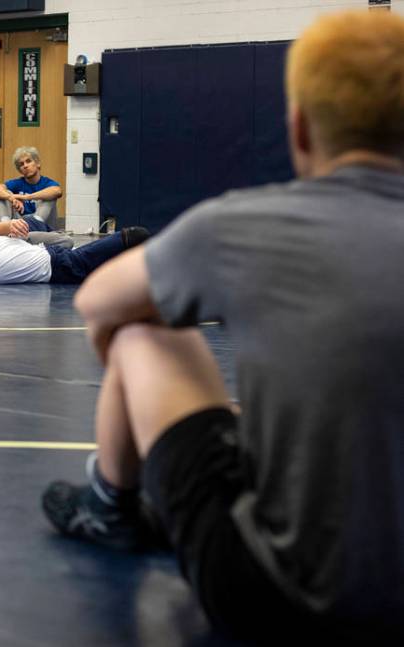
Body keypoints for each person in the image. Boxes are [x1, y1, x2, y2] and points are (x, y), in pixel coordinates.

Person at [42, 10, 404, 644]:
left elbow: (97, 302)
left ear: (296, 128)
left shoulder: (245, 227)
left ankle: (108, 503)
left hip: (282, 598)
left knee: (137, 327)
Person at [0, 219, 148, 288]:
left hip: (48, 251)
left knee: (116, 264)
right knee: (133, 236)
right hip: (58, 267)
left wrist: (12, 224)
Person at [0, 146, 63, 228]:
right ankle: (5, 225)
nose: (25, 166)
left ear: (37, 164)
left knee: (48, 195)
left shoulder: (47, 182)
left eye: (28, 161)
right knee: (3, 193)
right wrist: (11, 197)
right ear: (20, 170)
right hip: (20, 227)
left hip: (42, 228)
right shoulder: (17, 183)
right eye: (21, 164)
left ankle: (35, 222)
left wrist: (26, 197)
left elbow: (57, 191)